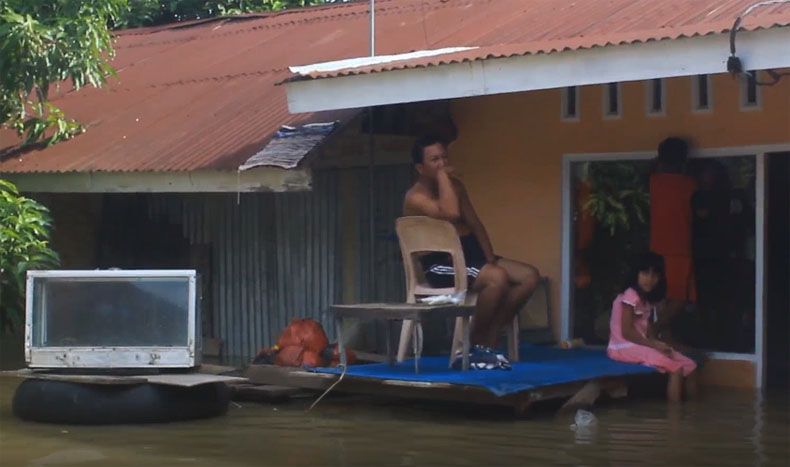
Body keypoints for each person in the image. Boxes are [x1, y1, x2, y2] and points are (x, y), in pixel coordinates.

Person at [403, 135, 540, 370]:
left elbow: (474, 223)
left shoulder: (456, 186)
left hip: (471, 256)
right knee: (496, 278)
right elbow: (451, 213)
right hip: (441, 263)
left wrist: (489, 257)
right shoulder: (416, 197)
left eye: (444, 157)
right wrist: (444, 176)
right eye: (435, 160)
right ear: (420, 168)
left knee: (529, 276)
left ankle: (490, 337)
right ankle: (473, 345)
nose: (442, 163)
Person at [607, 252, 697, 402]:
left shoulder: (646, 300)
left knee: (691, 366)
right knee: (676, 369)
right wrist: (653, 344)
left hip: (640, 345)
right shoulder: (630, 295)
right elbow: (627, 332)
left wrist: (661, 345)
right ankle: (675, 419)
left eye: (654, 275)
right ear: (635, 274)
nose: (649, 279)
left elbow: (648, 331)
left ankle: (694, 412)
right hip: (622, 347)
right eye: (644, 273)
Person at [649, 137, 697, 340]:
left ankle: (665, 349)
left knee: (661, 299)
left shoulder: (653, 181)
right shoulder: (690, 185)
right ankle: (654, 331)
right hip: (680, 249)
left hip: (657, 248)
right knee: (678, 298)